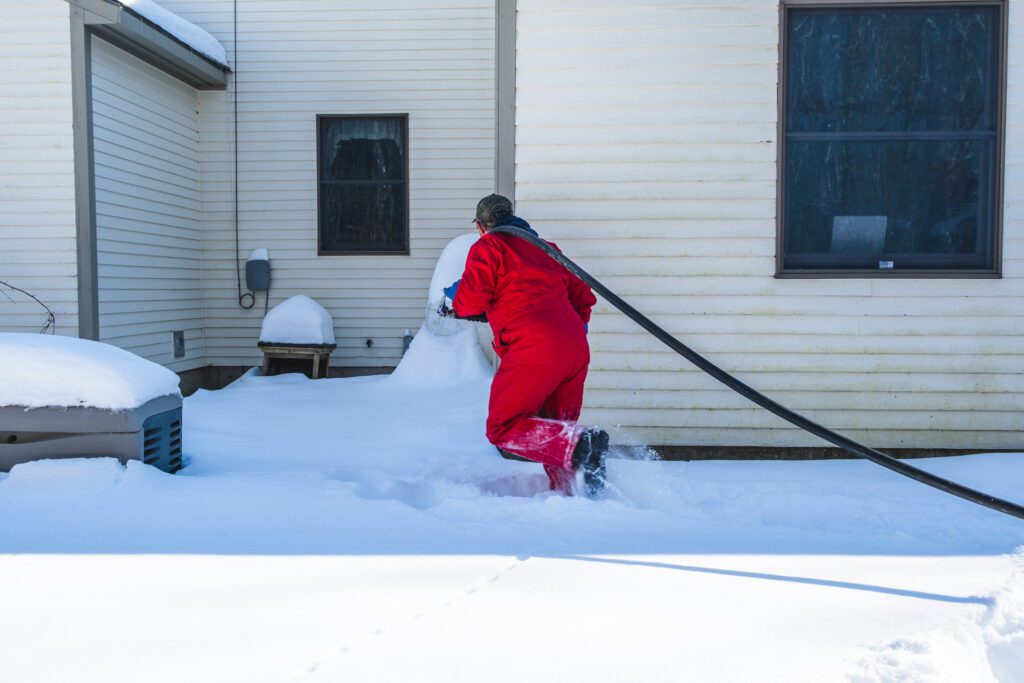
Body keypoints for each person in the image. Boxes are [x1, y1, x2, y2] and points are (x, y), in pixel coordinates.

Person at [444, 194, 609, 496]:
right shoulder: (547, 249)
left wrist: (456, 296)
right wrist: (568, 331)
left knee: (502, 427)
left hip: (533, 347)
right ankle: (574, 493)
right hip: (574, 348)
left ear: (481, 227)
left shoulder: (488, 247)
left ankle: (582, 445)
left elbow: (469, 303)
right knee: (558, 428)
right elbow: (584, 298)